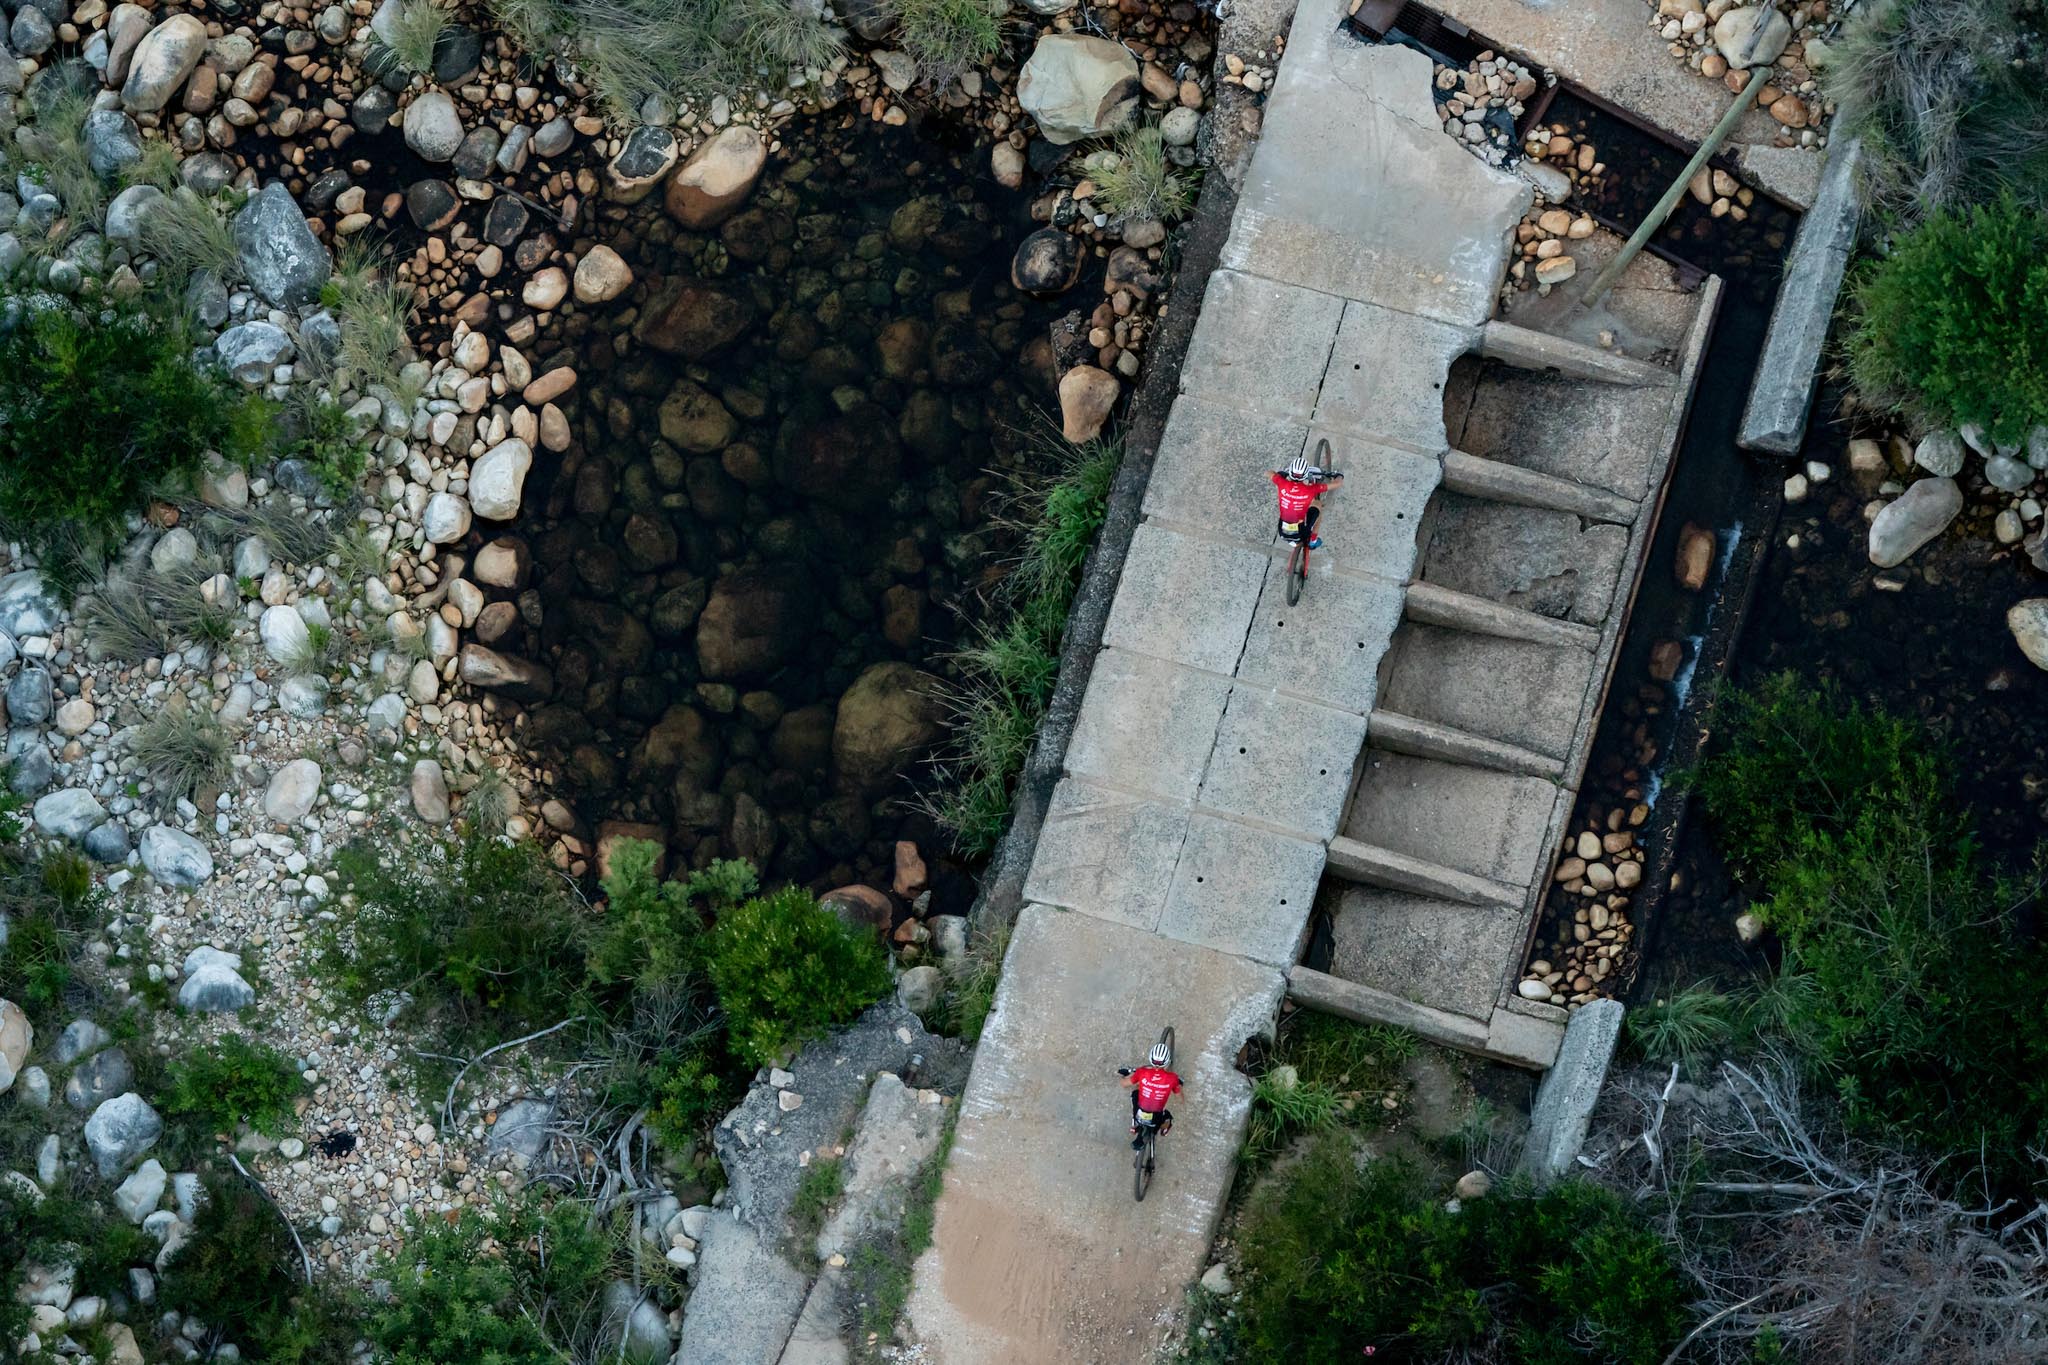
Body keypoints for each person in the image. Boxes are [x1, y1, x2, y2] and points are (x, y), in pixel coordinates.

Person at [1271, 441, 1344, 548]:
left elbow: (1268, 473)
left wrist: (1279, 474)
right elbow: (1337, 484)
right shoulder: (1310, 489)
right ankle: (1313, 540)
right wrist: (1339, 476)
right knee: (1318, 505)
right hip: (1301, 533)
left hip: (1282, 532)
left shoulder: (1282, 483)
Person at [1118, 1042, 1182, 1151]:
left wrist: (1123, 1075)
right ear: (1166, 1061)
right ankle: (1165, 1128)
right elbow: (1180, 1098)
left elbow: (1124, 1084)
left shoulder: (1141, 1072)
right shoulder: (1173, 1078)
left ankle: (1135, 1123)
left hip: (1140, 1115)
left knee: (1135, 1094)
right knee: (1168, 1118)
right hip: (1156, 1118)